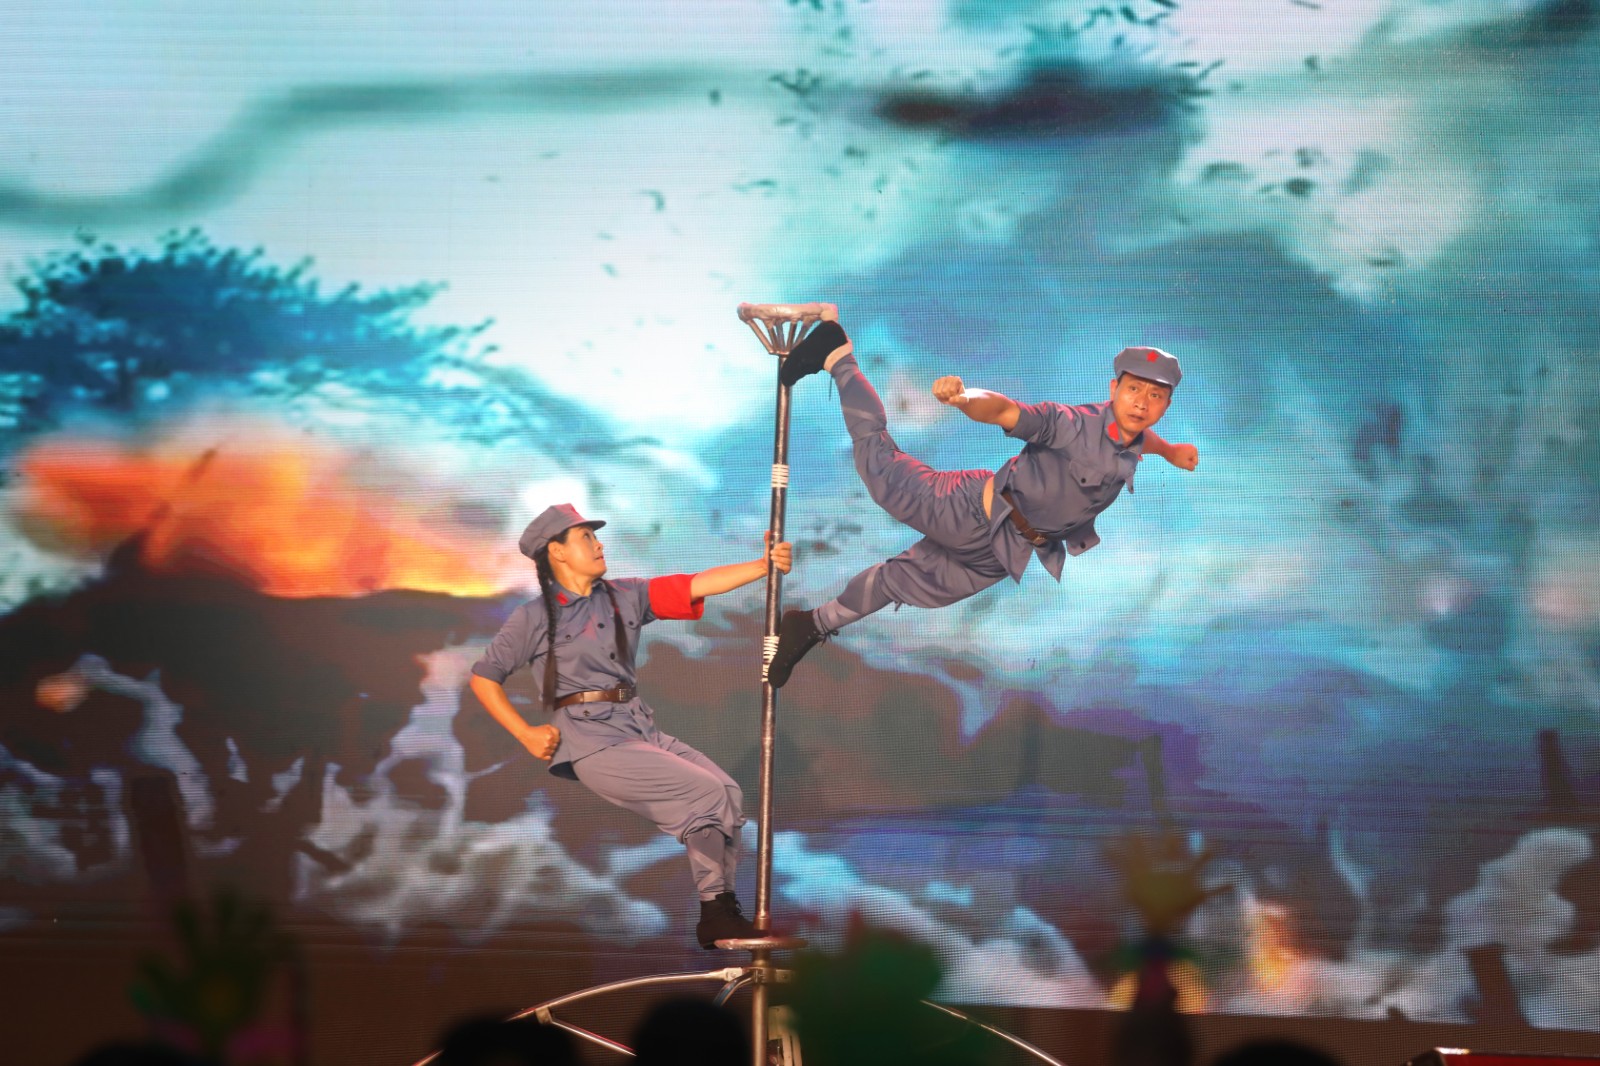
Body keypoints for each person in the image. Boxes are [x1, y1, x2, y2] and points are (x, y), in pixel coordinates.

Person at [764, 313, 1198, 687]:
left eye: (1155, 396)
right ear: (1114, 388)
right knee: (880, 469)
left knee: (902, 583)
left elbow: (1140, 441)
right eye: (1134, 390)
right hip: (968, 510)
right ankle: (837, 355)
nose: (1142, 404)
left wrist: (1172, 451)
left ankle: (811, 624)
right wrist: (964, 398)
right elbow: (1007, 411)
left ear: (1166, 404)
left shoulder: (1134, 438)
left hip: (1001, 552)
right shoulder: (1069, 423)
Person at [468, 504, 791, 949]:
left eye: (596, 536)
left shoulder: (625, 595)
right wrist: (525, 733)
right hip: (592, 741)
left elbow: (696, 584)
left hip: (638, 728)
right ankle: (714, 912)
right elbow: (484, 677)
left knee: (727, 793)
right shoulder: (534, 617)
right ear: (557, 552)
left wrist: (762, 565)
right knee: (704, 793)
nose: (599, 544)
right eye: (586, 538)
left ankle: (722, 910)